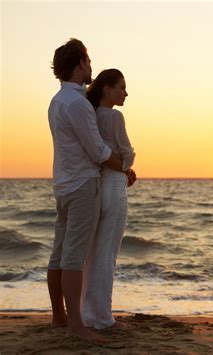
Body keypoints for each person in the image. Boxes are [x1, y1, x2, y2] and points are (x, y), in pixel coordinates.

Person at [47, 39, 125, 340]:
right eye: (88, 61)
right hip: (81, 185)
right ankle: (77, 326)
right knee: (73, 257)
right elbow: (97, 150)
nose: (91, 66)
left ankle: (58, 317)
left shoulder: (57, 101)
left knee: (59, 254)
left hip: (63, 185)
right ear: (80, 63)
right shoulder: (77, 104)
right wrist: (124, 166)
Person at [81, 69, 136, 329]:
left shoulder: (91, 115)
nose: (126, 93)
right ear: (107, 89)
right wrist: (127, 165)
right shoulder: (114, 116)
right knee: (107, 254)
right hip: (114, 186)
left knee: (93, 253)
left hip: (98, 184)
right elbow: (126, 154)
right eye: (122, 87)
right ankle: (102, 317)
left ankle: (88, 313)